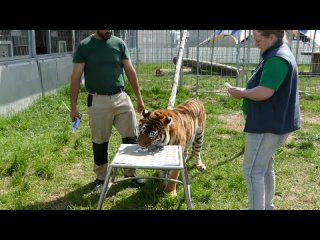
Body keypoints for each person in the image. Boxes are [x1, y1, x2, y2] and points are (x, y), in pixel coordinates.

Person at [228, 30, 301, 210]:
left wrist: (242, 93)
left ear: (272, 37)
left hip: (267, 125)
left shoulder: (277, 59)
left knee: (252, 171)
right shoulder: (277, 53)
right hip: (273, 122)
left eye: (258, 39)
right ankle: (266, 206)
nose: (255, 43)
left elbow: (264, 92)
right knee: (265, 167)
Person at [70, 30, 145, 191]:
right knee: (100, 140)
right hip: (97, 100)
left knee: (132, 135)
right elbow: (75, 77)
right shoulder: (84, 47)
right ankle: (101, 177)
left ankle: (130, 172)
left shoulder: (119, 44)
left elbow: (130, 71)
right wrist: (74, 107)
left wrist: (139, 98)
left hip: (121, 97)